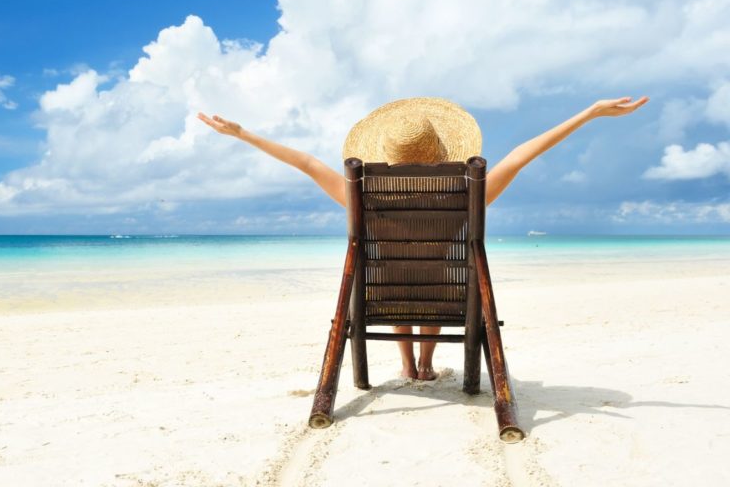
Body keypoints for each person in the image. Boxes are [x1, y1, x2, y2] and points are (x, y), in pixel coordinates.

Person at [197, 95, 648, 381]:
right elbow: (519, 157)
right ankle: (428, 364)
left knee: (399, 273)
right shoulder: (464, 194)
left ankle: (408, 366)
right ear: (440, 154)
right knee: (433, 274)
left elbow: (308, 164)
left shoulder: (362, 195)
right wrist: (588, 114)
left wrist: (243, 135)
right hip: (446, 299)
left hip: (382, 298)